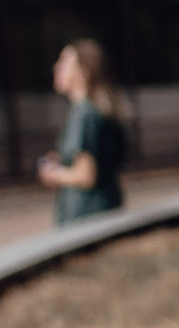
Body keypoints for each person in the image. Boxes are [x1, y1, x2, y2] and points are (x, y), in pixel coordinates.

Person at [37, 39, 129, 225]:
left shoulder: (83, 114)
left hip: (84, 218)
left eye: (64, 62)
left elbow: (86, 176)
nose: (57, 67)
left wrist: (54, 173)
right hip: (107, 210)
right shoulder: (101, 111)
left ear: (82, 73)